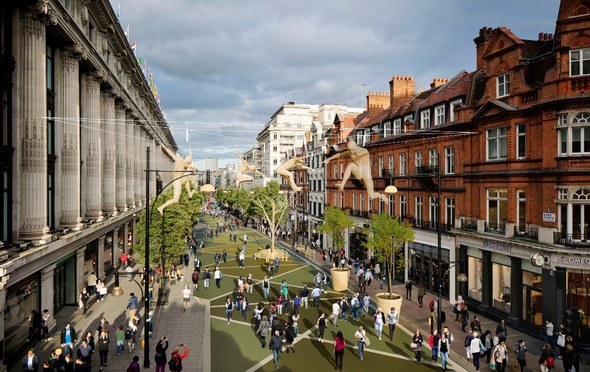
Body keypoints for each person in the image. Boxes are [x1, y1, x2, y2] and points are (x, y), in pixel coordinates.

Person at [157, 146, 196, 214]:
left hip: (177, 180)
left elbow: (171, 154)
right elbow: (189, 166)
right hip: (177, 181)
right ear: (189, 161)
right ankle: (161, 207)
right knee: (175, 199)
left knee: (187, 178)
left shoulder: (178, 160)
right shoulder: (185, 164)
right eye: (190, 161)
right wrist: (194, 168)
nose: (189, 162)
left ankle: (189, 193)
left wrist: (164, 147)